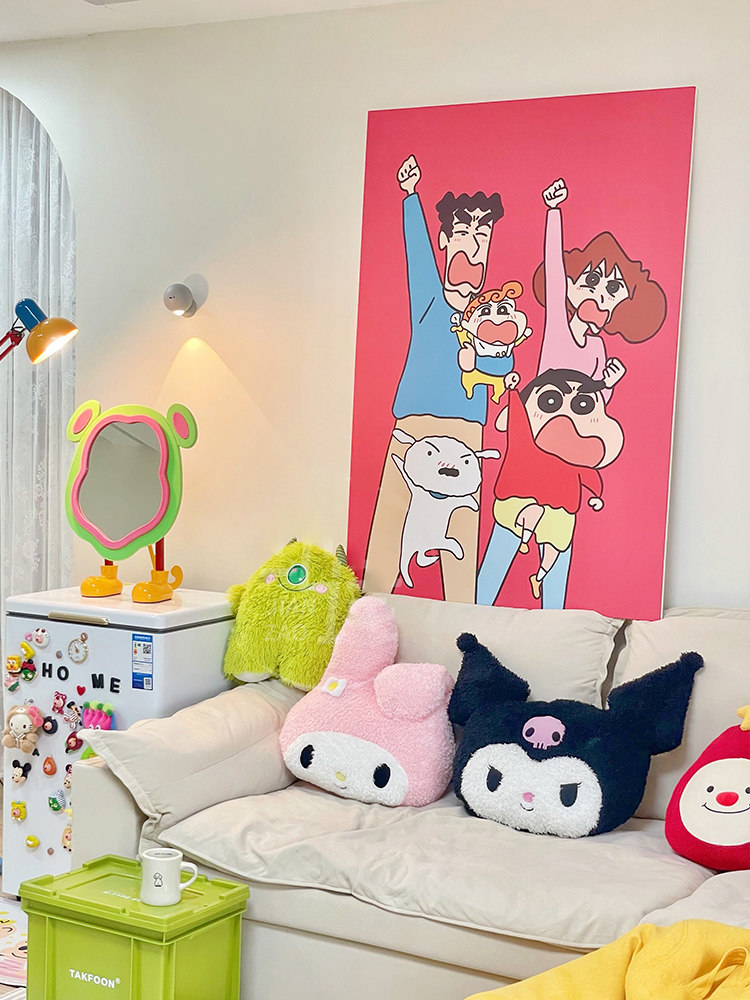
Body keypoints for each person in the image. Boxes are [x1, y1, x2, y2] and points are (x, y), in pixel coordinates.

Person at [363, 154, 504, 602]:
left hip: (467, 434)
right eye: (463, 233)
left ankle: (465, 632)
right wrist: (410, 196)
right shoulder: (430, 300)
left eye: (482, 236)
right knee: (388, 532)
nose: (473, 245)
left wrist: (490, 356)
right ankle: (366, 625)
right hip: (414, 426)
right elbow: (418, 256)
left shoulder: (492, 317)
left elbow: (501, 373)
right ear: (445, 239)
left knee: (460, 540)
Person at [477, 369, 623, 607]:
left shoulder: (575, 461)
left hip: (560, 515)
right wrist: (512, 389)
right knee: (495, 567)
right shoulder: (523, 439)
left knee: (555, 574)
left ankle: (547, 598)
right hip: (516, 505)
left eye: (582, 405)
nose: (565, 417)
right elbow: (516, 416)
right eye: (550, 401)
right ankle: (480, 605)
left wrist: (596, 495)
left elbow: (590, 476)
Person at [534, 178, 667, 399]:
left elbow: (598, 401)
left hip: (578, 419)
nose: (600, 294)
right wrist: (553, 210)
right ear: (569, 285)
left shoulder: (596, 348)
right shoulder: (558, 326)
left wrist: (608, 383)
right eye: (592, 279)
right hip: (543, 412)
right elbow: (554, 267)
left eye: (613, 287)